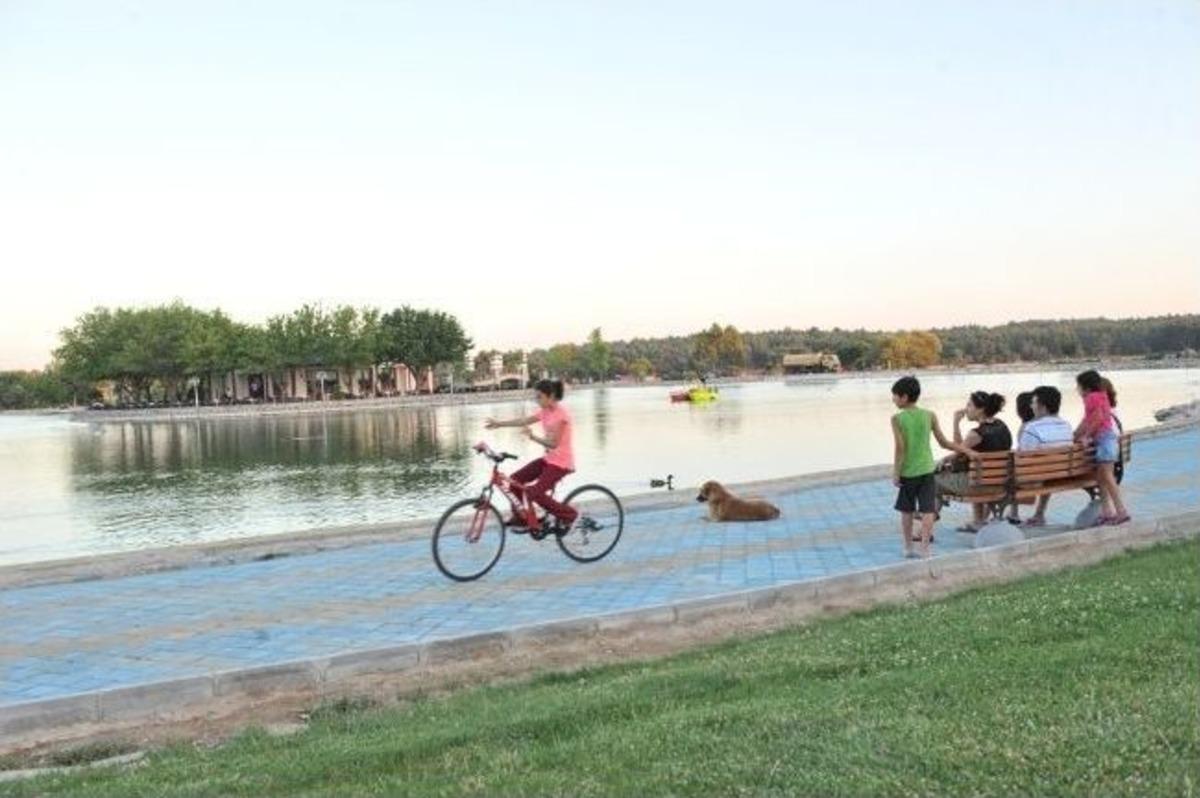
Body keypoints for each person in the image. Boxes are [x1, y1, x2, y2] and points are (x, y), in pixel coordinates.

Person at [890, 376, 977, 559]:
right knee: (928, 510)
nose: (893, 399)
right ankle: (925, 549)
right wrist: (966, 451)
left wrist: (896, 473)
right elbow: (944, 442)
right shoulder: (929, 415)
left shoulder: (897, 419)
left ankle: (908, 548)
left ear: (904, 397)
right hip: (927, 470)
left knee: (907, 510)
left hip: (908, 472)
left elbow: (900, 449)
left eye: (895, 396)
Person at [484, 379, 578, 538]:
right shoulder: (545, 411)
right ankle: (521, 518)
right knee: (515, 480)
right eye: (536, 397)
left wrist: (533, 437)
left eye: (539, 397)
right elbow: (524, 420)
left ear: (551, 396)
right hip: (548, 460)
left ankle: (570, 516)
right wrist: (499, 424)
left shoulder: (562, 416)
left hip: (562, 463)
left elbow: (554, 444)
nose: (537, 400)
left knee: (534, 493)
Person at [937, 391, 1012, 532]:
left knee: (933, 481)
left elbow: (958, 451)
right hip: (1000, 483)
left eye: (969, 405)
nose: (966, 409)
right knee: (976, 473)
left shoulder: (976, 434)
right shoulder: (1002, 426)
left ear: (981, 410)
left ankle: (925, 526)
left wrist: (956, 423)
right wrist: (949, 457)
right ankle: (978, 521)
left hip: (978, 486)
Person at [1075, 370, 1129, 525]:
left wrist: (1086, 436)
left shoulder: (1090, 398)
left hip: (1104, 440)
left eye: (1078, 386)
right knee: (1101, 478)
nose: (1077, 390)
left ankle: (1121, 511)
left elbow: (1097, 418)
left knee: (1107, 477)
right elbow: (1090, 419)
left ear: (1086, 387)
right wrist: (1078, 434)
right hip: (1108, 439)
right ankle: (1107, 512)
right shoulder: (1102, 396)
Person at [1018, 385, 1076, 527]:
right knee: (1046, 469)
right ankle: (1039, 514)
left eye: (1033, 402)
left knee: (998, 478)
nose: (1031, 406)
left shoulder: (1032, 428)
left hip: (1038, 476)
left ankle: (987, 519)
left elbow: (1023, 458)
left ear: (1042, 406)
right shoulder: (1067, 426)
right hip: (1061, 474)